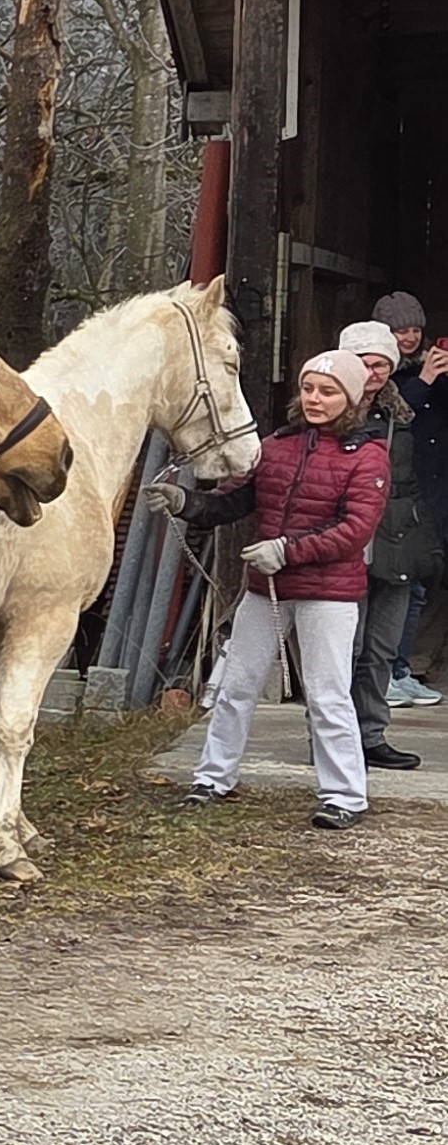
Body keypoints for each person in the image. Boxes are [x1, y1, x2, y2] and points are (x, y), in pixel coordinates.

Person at [152, 350, 387, 830]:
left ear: (351, 398)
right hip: (266, 588)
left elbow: (355, 530)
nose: (315, 398)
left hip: (328, 595)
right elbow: (235, 501)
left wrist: (286, 549)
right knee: (236, 687)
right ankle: (212, 778)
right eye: (309, 388)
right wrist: (185, 502)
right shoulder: (275, 445)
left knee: (327, 696)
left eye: (328, 391)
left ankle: (345, 795)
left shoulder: (368, 455)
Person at [336, 322, 442, 770]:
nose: (374, 372)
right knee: (346, 648)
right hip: (345, 543)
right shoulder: (327, 412)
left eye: (382, 363)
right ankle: (333, 737)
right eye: (365, 362)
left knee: (381, 649)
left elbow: (414, 481)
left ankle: (371, 736)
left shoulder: (403, 414)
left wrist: (424, 539)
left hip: (396, 540)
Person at [377, 289, 448, 704]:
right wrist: (425, 380)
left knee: (419, 581)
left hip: (429, 489)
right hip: (397, 492)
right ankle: (385, 673)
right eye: (399, 330)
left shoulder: (427, 369)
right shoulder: (378, 372)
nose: (408, 337)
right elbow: (394, 416)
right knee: (396, 583)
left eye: (415, 330)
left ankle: (398, 670)